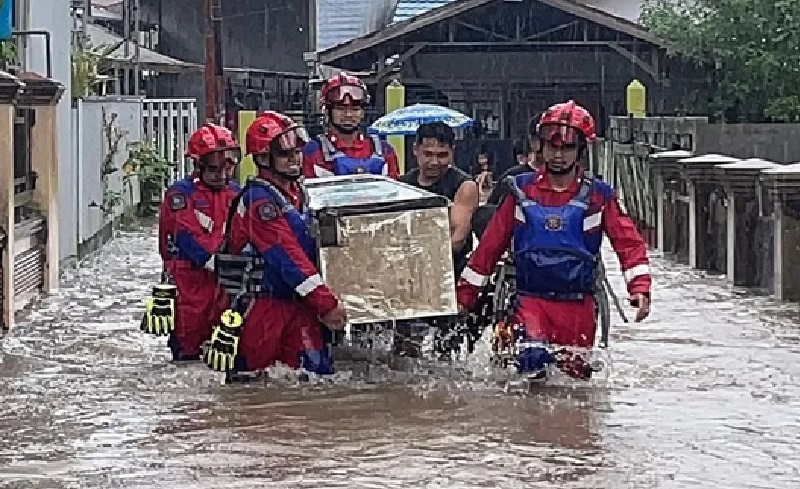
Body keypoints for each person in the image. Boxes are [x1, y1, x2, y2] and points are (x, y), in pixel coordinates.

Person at [456, 100, 652, 380]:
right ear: (541, 147)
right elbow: (489, 248)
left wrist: (640, 288)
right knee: (531, 363)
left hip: (579, 305)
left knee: (574, 381)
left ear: (580, 150)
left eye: (567, 148)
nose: (558, 155)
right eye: (552, 147)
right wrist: (466, 295)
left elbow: (628, 244)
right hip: (530, 300)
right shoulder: (519, 190)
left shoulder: (600, 196)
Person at [204, 111, 348, 378]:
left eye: (297, 152)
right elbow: (287, 257)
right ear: (262, 159)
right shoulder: (260, 202)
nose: (295, 159)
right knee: (251, 388)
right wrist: (326, 303)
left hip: (297, 302)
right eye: (285, 154)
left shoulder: (298, 193)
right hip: (261, 308)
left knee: (320, 377)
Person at [143, 123, 241, 362]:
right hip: (189, 287)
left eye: (227, 167)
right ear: (198, 165)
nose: (222, 175)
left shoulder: (236, 194)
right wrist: (220, 264)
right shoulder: (180, 195)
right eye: (215, 169)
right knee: (188, 356)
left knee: (228, 353)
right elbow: (186, 237)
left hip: (226, 285)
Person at [396, 121, 479, 358]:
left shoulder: (464, 185)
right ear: (415, 151)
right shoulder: (402, 185)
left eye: (442, 155)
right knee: (405, 351)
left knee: (447, 353)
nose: (434, 162)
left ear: (452, 152)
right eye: (428, 154)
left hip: (449, 278)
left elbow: (458, 237)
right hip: (410, 281)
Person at [303, 72, 400, 179]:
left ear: (362, 112)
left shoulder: (385, 150)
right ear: (327, 111)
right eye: (341, 109)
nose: (348, 114)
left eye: (355, 109)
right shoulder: (313, 152)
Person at [485, 113, 544, 206]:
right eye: (544, 138)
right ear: (532, 141)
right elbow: (492, 213)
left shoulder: (571, 179)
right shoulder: (512, 178)